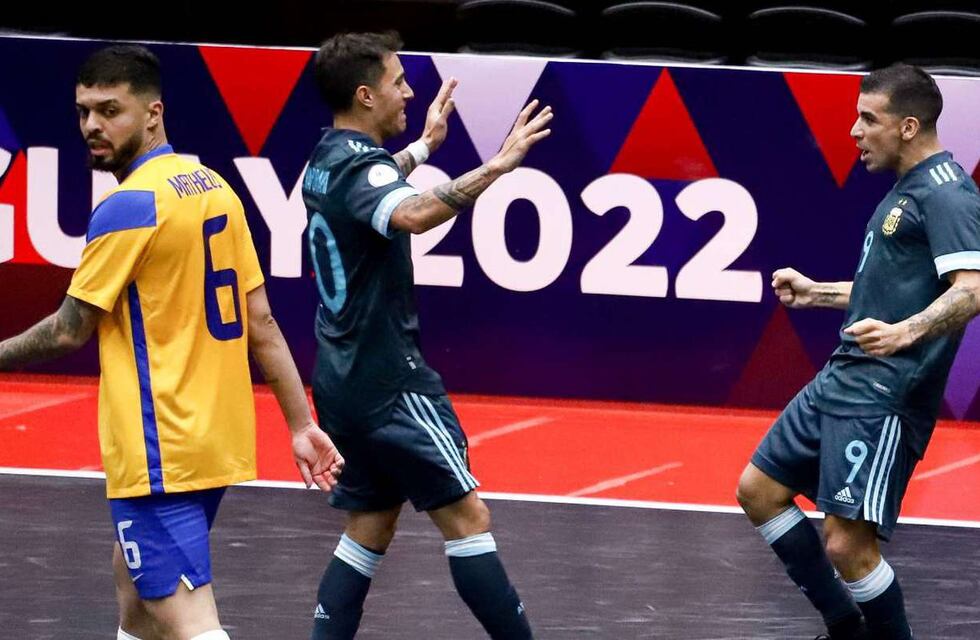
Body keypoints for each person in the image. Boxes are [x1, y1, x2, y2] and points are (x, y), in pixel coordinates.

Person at [0, 44, 344, 640]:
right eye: (84, 111)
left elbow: (67, 329)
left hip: (159, 448)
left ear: (153, 113)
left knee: (187, 620)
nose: (92, 126)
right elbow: (259, 321)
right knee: (134, 590)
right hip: (211, 443)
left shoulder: (126, 206)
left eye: (110, 110)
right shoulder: (212, 187)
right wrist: (299, 423)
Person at [302, 31, 551, 639]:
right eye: (397, 82)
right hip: (392, 383)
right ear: (365, 95)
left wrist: (422, 147)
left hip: (340, 382)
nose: (409, 91)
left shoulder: (324, 160)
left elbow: (372, 186)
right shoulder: (361, 167)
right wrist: (497, 166)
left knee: (369, 524)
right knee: (468, 518)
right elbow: (409, 213)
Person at [736, 63, 980, 640]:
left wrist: (905, 333)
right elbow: (890, 289)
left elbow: (971, 287)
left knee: (848, 543)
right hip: (842, 377)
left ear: (908, 126)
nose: (854, 130)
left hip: (885, 393)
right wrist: (817, 291)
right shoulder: (908, 188)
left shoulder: (948, 194)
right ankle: (846, 628)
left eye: (868, 118)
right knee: (759, 490)